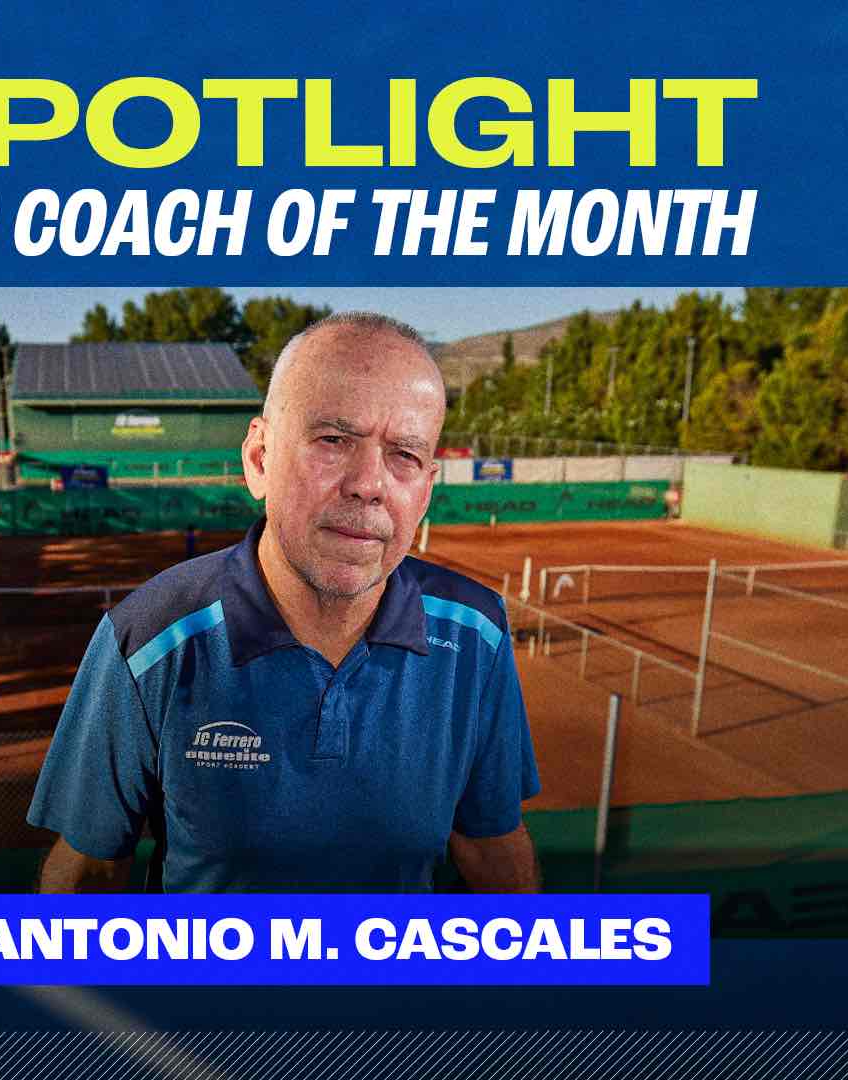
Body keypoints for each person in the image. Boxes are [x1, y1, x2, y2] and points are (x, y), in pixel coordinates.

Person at [28, 313, 540, 892]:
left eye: (405, 455)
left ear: (427, 487)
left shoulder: (478, 634)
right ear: (259, 459)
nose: (369, 483)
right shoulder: (146, 640)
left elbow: (492, 848)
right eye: (333, 440)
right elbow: (90, 871)